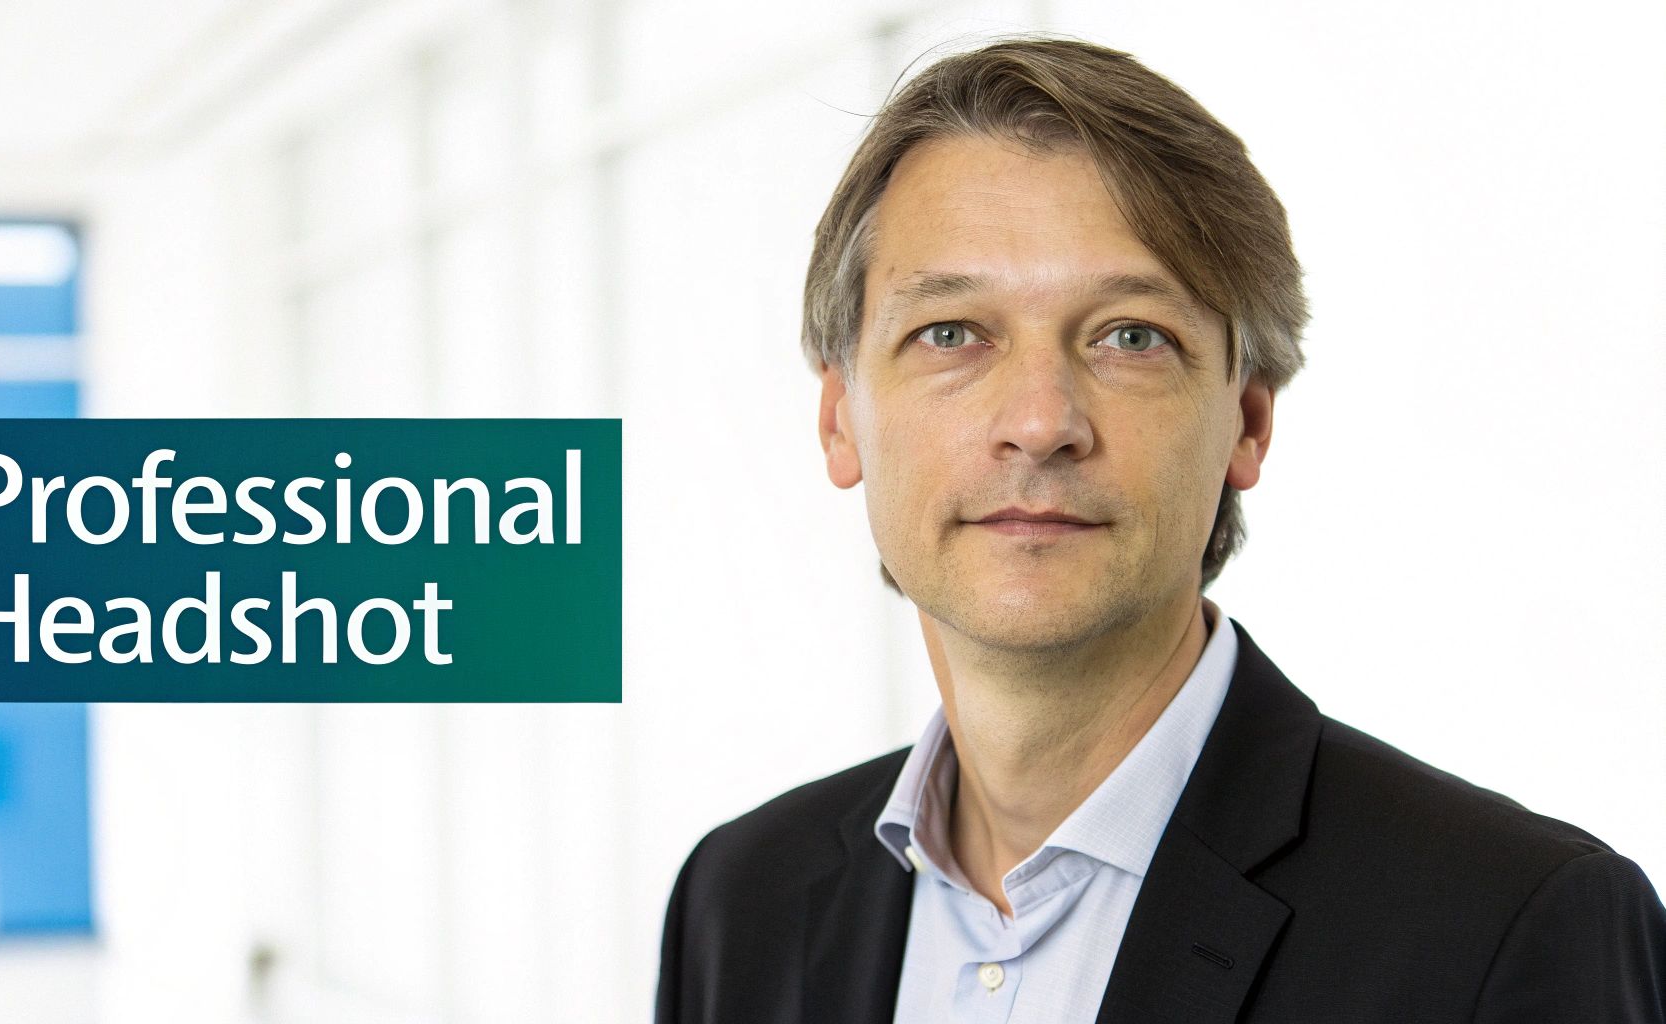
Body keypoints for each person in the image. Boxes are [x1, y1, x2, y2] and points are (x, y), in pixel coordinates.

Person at [653, 33, 1666, 1024]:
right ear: (839, 421)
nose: (1039, 422)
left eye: (1129, 337)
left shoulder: (1506, 928)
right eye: (949, 333)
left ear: (1246, 419)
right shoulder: (738, 904)